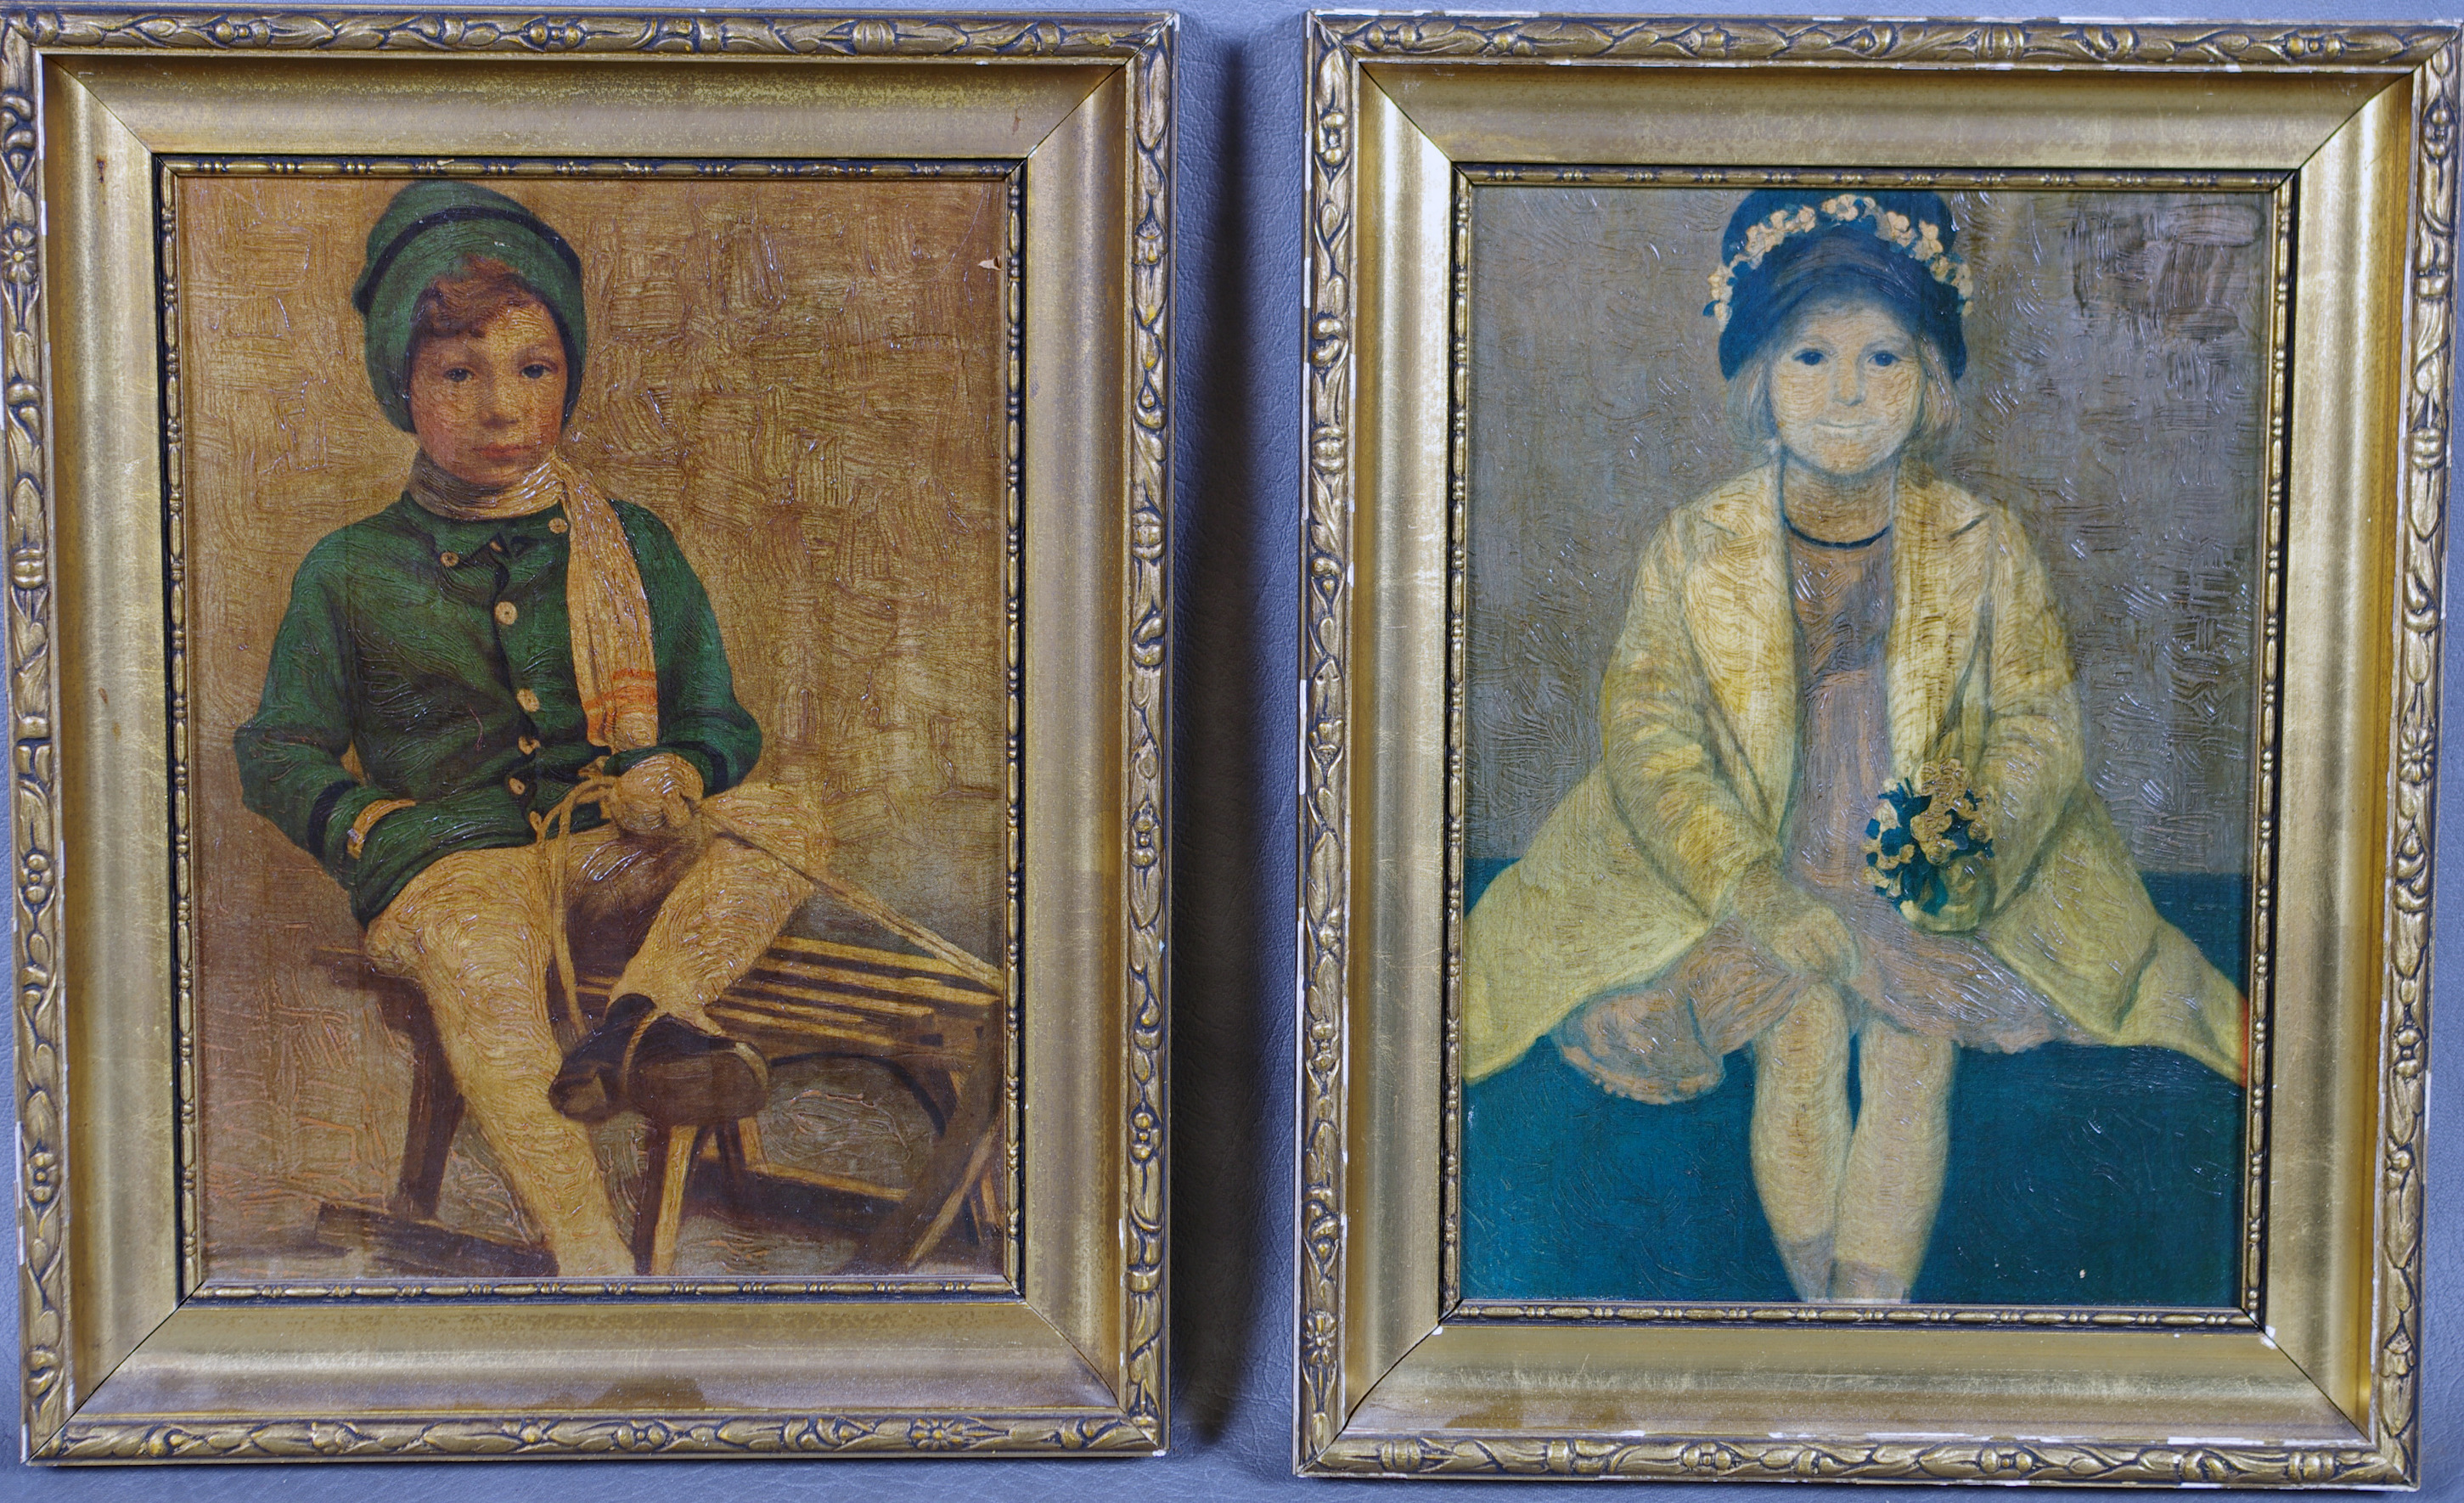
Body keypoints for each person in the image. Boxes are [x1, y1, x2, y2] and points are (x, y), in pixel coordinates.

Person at [1460, 189, 2246, 1303]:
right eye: (1811, 357)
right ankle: (1815, 1310)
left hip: (1929, 864)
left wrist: (1965, 846)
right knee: (1797, 1033)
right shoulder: (1694, 545)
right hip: (1751, 855)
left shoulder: (1984, 541)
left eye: (1882, 358)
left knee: (1913, 1049)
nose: (1846, 391)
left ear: (1929, 384)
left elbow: (2036, 724)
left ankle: (1867, 1311)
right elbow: (1649, 736)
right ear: (1758, 382)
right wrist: (1748, 886)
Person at [235, 181, 832, 1277]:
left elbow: (717, 718)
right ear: (403, 387)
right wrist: (368, 827)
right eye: (459, 375)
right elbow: (277, 750)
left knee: (783, 819)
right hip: (455, 869)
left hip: (610, 851)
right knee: (479, 964)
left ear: (569, 377)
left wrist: (675, 768)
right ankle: (593, 1261)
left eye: (534, 370)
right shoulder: (350, 569)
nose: (502, 409)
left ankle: (643, 1017)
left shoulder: (632, 545)